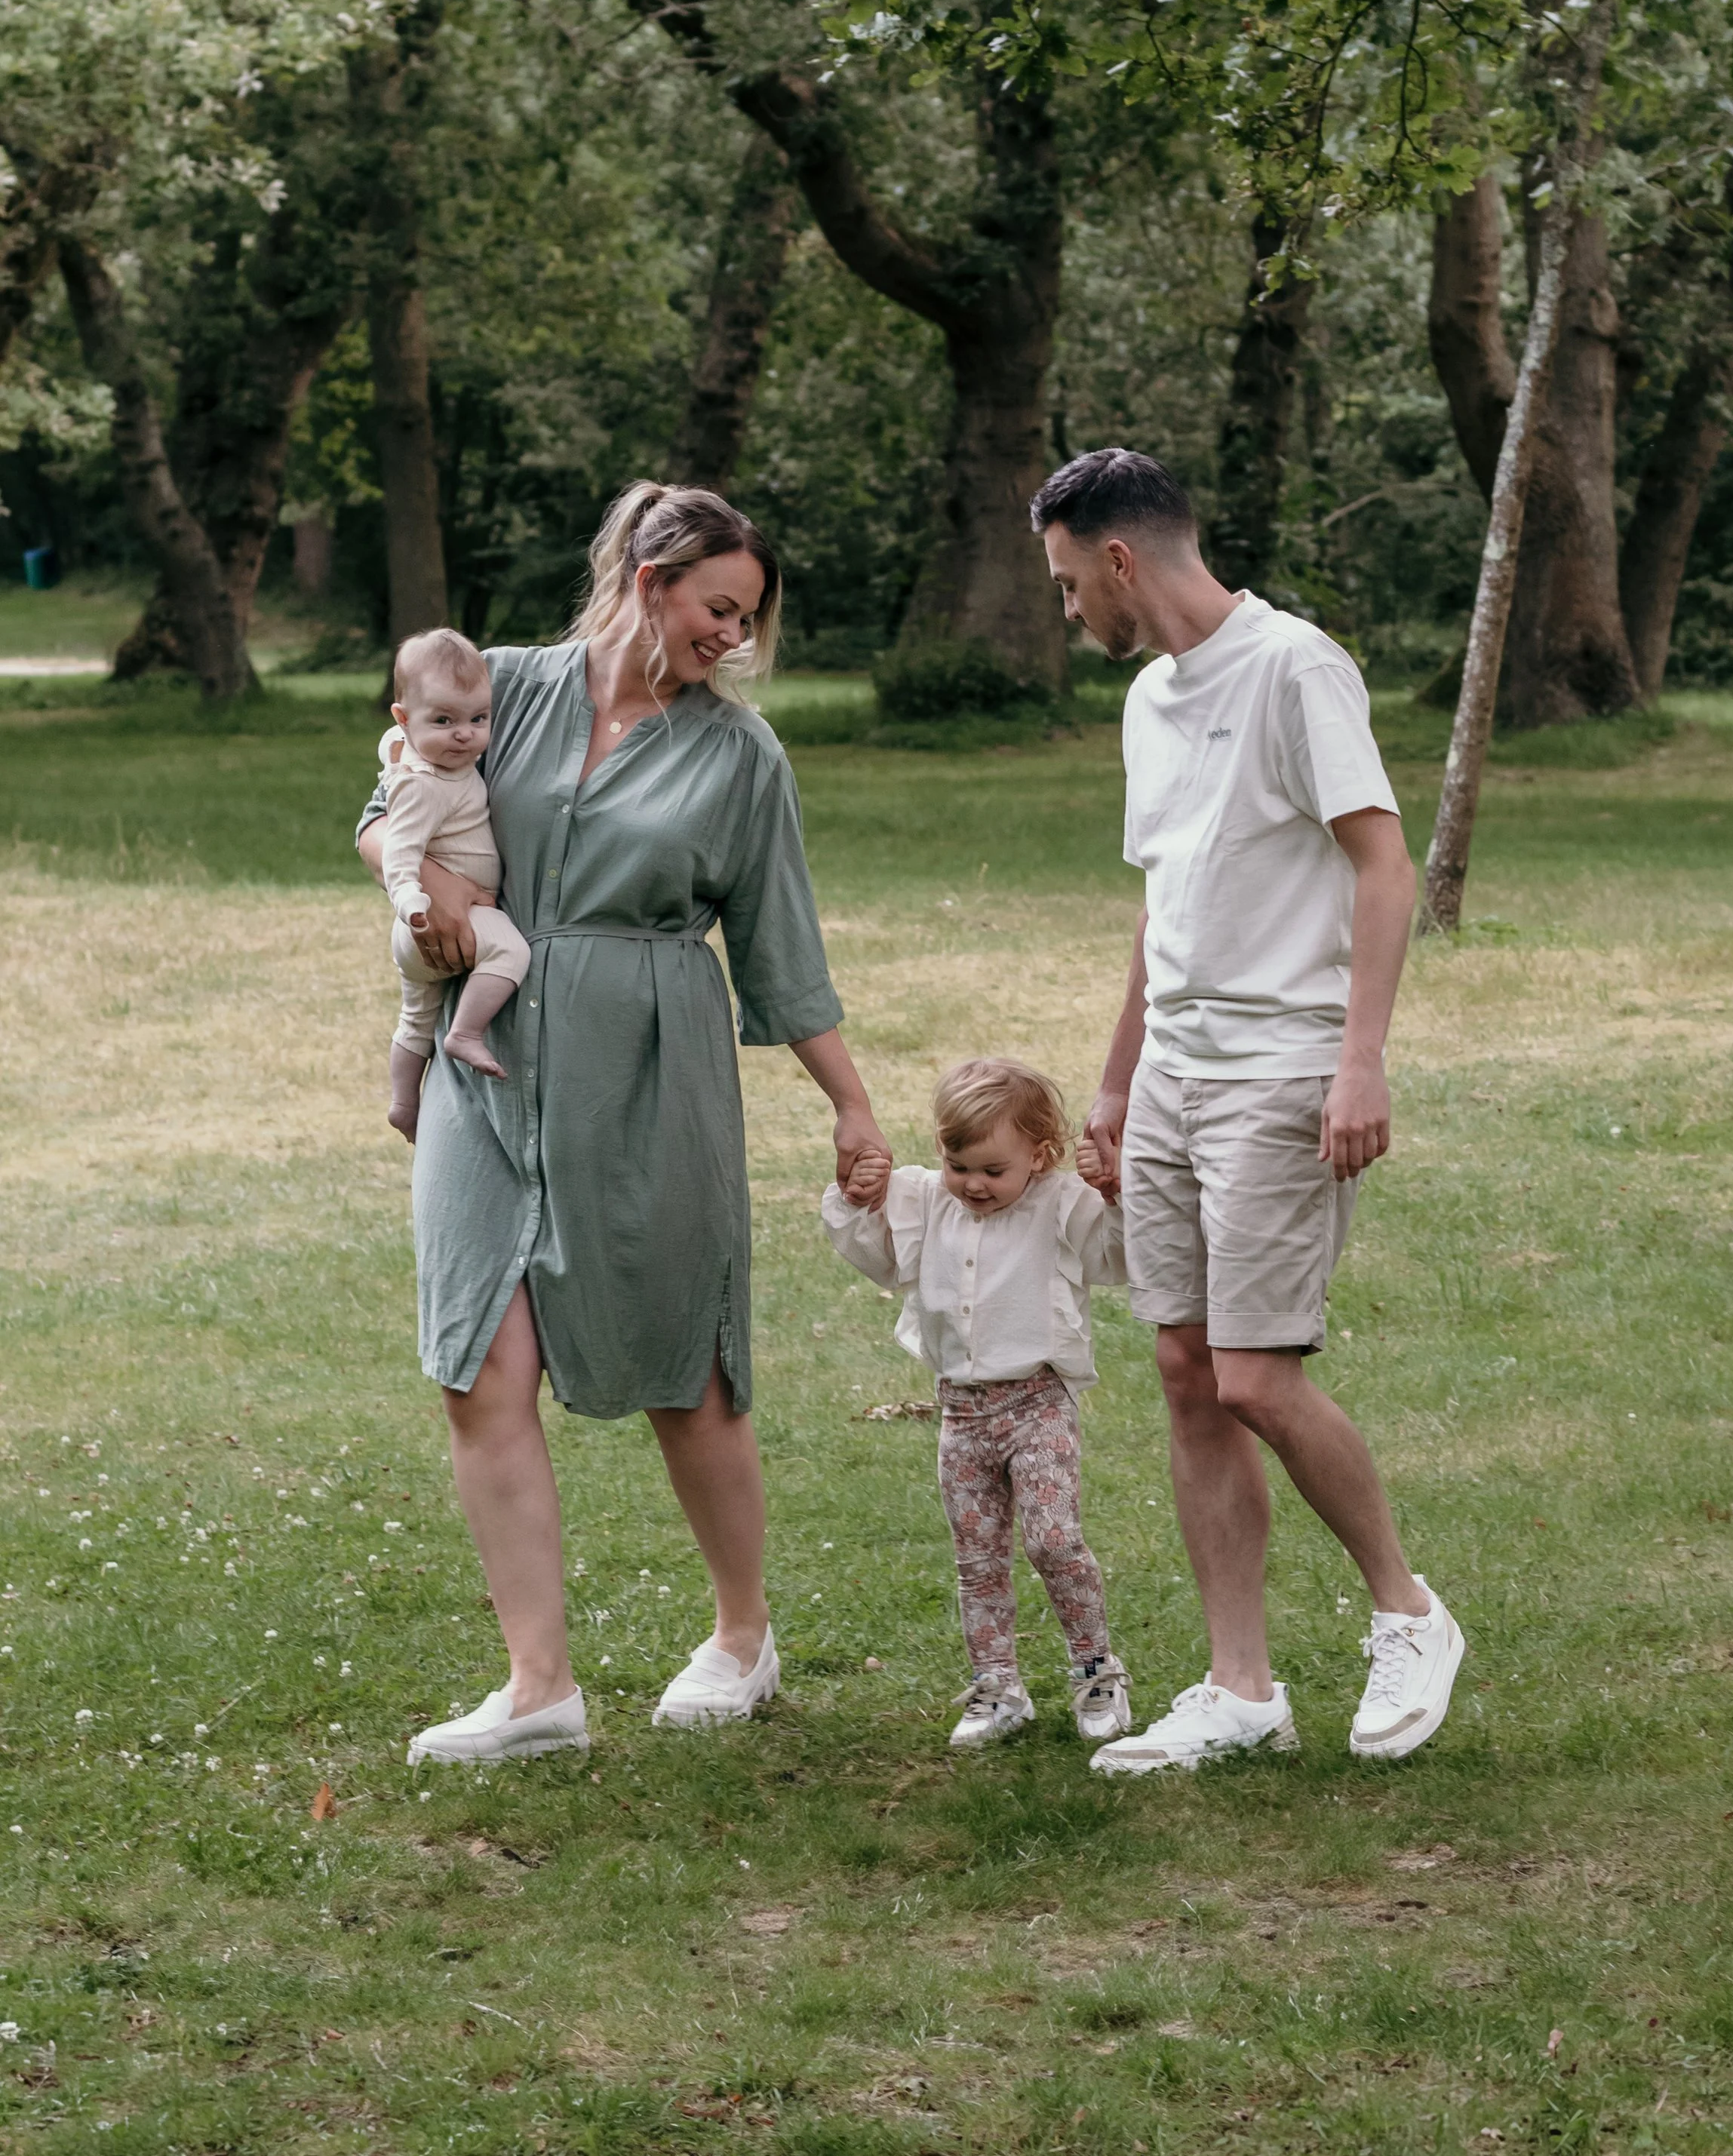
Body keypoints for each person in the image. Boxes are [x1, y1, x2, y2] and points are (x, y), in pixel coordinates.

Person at [355, 481, 891, 1764]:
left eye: (749, 619)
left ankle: (743, 1636)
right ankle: (539, 1689)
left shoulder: (739, 753)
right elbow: (390, 808)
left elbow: (782, 950)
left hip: (652, 1061)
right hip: (491, 1064)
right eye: (719, 608)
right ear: (651, 581)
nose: (734, 640)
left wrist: (853, 1101)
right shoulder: (508, 688)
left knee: (685, 1368)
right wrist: (429, 897)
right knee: (475, 1360)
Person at [1032, 447, 1464, 1774]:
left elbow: (1383, 865)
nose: (1065, 612)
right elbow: (1166, 908)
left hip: (1283, 1069)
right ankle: (1241, 1690)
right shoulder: (1149, 702)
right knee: (1184, 1375)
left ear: (1118, 563)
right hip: (1173, 1077)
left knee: (1259, 1378)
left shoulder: (1294, 668)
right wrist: (1114, 1084)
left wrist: (1362, 1058)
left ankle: (1408, 1612)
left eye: (1065, 585)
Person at [824, 1058, 1133, 1751]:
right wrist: (860, 1200)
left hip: (1037, 1403)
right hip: (960, 1411)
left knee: (1054, 1539)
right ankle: (998, 1685)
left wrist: (1114, 1193)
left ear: (1040, 1156)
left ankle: (1096, 1670)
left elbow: (1119, 1258)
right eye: (959, 1165)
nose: (974, 1184)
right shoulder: (928, 1200)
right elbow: (882, 1260)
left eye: (994, 1171)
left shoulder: (1062, 1203)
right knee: (977, 1553)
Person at [373, 627, 533, 1144]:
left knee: (416, 1018)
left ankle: (403, 1103)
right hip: (439, 918)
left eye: (477, 720)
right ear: (404, 719)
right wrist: (410, 898)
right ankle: (465, 1032)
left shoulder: (428, 761)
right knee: (511, 951)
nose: (464, 735)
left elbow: (393, 749)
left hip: (424, 930)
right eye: (443, 721)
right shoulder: (425, 783)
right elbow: (400, 847)